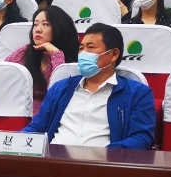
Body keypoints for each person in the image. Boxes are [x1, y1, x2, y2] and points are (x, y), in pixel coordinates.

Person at [22, 23, 155, 149]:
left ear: (114, 54)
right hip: (54, 160)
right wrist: (15, 142)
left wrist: (107, 154)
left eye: (90, 47)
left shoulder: (137, 93)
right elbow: (37, 128)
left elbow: (142, 138)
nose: (83, 54)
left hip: (102, 162)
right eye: (81, 48)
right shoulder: (60, 88)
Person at [5, 6, 77, 108]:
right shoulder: (23, 53)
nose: (38, 30)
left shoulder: (71, 62)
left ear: (60, 28)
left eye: (45, 24)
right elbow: (2, 79)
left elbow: (58, 95)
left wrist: (56, 54)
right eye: (35, 24)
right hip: (17, 110)